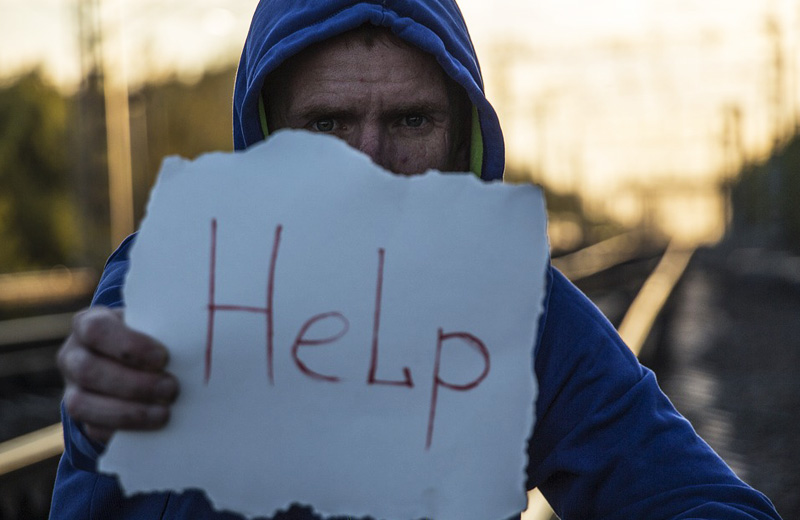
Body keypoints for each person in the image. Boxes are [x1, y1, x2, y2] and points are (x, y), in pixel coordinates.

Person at [50, 1, 782, 519]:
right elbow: (117, 360)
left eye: (410, 120)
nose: (369, 164)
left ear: (461, 138)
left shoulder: (515, 309)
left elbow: (703, 500)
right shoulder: (182, 272)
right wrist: (105, 402)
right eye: (327, 123)